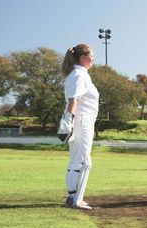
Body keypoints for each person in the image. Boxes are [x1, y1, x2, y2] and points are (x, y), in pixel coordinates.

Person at [58, 44, 99, 210]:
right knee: (84, 162)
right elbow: (73, 99)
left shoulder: (78, 74)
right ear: (82, 58)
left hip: (81, 119)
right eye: (91, 56)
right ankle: (77, 200)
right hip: (82, 120)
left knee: (76, 161)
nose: (93, 59)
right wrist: (69, 119)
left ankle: (72, 196)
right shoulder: (78, 74)